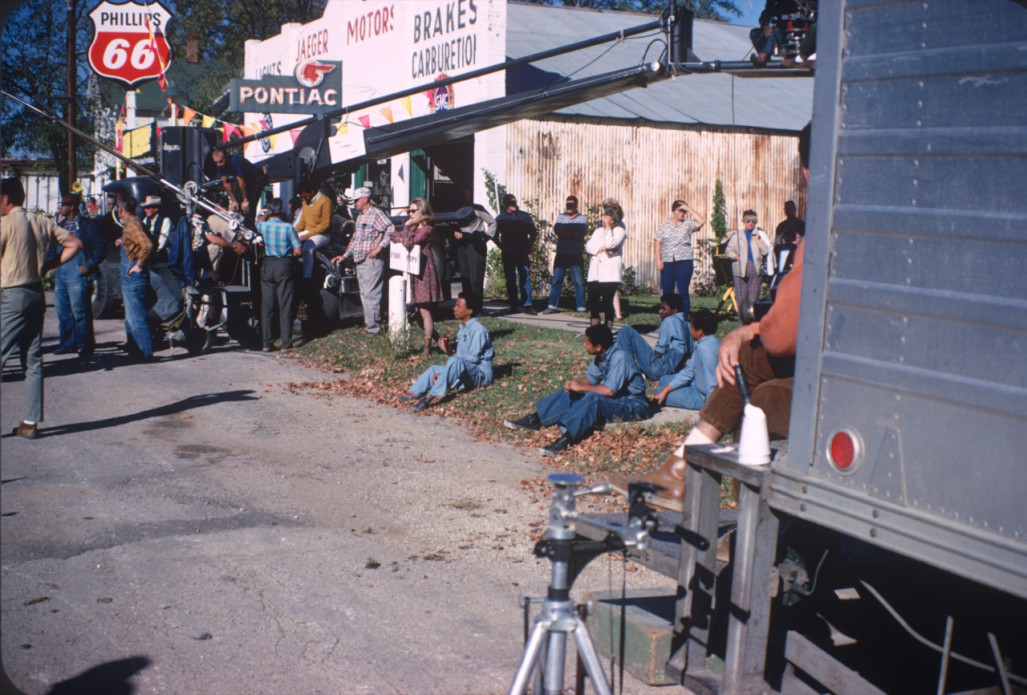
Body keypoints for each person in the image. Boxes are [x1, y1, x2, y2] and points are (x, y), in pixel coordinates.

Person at [616, 122, 811, 509]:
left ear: (808, 168)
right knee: (751, 357)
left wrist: (750, 332)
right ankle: (681, 470)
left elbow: (783, 334)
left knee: (760, 397)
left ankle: (750, 535)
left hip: (842, 392)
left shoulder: (830, 225)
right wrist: (747, 333)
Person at [1, 178, 83, 439]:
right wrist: (48, 266)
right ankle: (30, 421)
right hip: (36, 293)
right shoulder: (41, 221)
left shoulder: (6, 223)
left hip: (12, 294)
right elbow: (75, 244)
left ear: (5, 199)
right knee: (32, 358)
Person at [504, 323, 649, 456]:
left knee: (594, 398)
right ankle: (536, 419)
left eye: (587, 342)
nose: (584, 345)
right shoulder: (603, 354)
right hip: (618, 398)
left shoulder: (619, 357)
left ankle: (566, 438)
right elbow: (592, 378)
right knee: (574, 392)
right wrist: (576, 385)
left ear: (598, 346)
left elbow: (608, 391)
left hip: (634, 403)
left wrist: (582, 387)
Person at [403, 292, 493, 412]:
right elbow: (460, 362)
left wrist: (444, 376)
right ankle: (412, 394)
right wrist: (444, 374)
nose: (454, 308)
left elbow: (472, 361)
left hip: (480, 375)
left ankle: (428, 398)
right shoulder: (463, 328)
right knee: (434, 369)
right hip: (465, 369)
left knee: (454, 361)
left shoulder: (478, 330)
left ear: (469, 311)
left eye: (458, 306)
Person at [331, 187, 392, 335]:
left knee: (372, 295)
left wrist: (379, 247)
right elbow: (355, 239)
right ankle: (370, 326)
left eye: (357, 201)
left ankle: (373, 329)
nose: (355, 204)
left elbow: (390, 229)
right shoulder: (360, 217)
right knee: (365, 295)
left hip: (372, 261)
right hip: (360, 261)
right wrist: (345, 255)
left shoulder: (376, 213)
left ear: (365, 199)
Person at [53, 193, 106, 357]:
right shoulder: (60, 225)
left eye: (63, 204)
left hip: (77, 269)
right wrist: (53, 264)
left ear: (72, 207)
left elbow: (101, 249)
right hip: (61, 270)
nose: (60, 207)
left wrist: (87, 266)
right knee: (63, 310)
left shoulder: (86, 225)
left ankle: (85, 345)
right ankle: (67, 344)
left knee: (80, 310)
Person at [393, 197, 443, 356]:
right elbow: (393, 236)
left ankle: (427, 349)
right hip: (415, 270)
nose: (410, 214)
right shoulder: (415, 228)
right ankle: (440, 340)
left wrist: (406, 228)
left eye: (413, 211)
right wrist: (405, 233)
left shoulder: (427, 229)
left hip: (425, 272)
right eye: (409, 211)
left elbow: (410, 242)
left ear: (422, 211)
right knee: (418, 311)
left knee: (424, 311)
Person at [256, 198, 302, 352]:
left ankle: (267, 343)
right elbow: (298, 250)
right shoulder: (288, 228)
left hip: (268, 265)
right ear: (281, 211)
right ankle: (286, 343)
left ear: (269, 211)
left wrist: (263, 215)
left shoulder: (262, 226)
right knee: (285, 304)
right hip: (284, 264)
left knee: (267, 306)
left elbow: (257, 223)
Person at [651, 310, 721, 410]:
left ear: (700, 332)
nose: (690, 329)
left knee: (659, 391)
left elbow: (712, 384)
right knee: (663, 380)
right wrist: (666, 390)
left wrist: (709, 409)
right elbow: (689, 371)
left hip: (702, 396)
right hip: (696, 382)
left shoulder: (705, 350)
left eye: (692, 328)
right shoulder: (712, 341)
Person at [613, 293, 692, 380]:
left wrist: (645, 357)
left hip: (658, 369)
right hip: (674, 370)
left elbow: (659, 351)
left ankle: (626, 369)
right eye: (660, 308)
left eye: (663, 309)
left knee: (626, 331)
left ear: (674, 311)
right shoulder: (688, 325)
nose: (660, 311)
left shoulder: (669, 321)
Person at [115, 196, 156, 360]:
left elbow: (148, 245)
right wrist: (124, 241)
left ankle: (145, 352)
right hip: (131, 272)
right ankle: (134, 349)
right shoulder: (134, 223)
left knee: (136, 315)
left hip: (133, 273)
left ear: (121, 210)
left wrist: (139, 264)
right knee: (130, 314)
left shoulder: (133, 225)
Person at [654, 199, 704, 319]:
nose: (681, 214)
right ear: (673, 211)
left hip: (684, 260)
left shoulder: (688, 224)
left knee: (683, 291)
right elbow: (658, 242)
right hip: (667, 261)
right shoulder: (664, 226)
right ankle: (667, 318)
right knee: (667, 291)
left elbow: (701, 221)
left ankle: (684, 318)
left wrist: (689, 209)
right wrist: (658, 260)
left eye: (683, 212)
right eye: (679, 211)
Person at [543, 195, 588, 314]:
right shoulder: (561, 217)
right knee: (557, 280)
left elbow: (581, 233)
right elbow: (557, 230)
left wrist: (566, 232)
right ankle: (552, 306)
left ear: (576, 205)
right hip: (561, 254)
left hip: (575, 254)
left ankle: (581, 307)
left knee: (578, 282)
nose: (569, 207)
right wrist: (572, 231)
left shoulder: (582, 219)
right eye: (568, 204)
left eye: (572, 204)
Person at [494, 193, 537, 315]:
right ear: (506, 204)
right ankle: (513, 305)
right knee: (510, 279)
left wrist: (528, 248)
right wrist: (502, 247)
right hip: (508, 252)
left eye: (514, 202)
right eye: (511, 203)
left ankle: (528, 305)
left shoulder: (524, 217)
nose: (514, 205)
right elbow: (494, 235)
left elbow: (533, 233)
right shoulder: (500, 218)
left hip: (522, 251)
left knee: (525, 277)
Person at [585, 205, 626, 328]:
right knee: (593, 301)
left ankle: (607, 330)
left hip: (609, 273)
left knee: (607, 302)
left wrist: (608, 229)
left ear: (614, 218)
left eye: (608, 216)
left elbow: (610, 244)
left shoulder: (619, 231)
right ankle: (594, 328)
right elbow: (589, 247)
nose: (605, 218)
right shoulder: (598, 231)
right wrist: (600, 249)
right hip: (595, 272)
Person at [451, 187, 495, 300]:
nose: (463, 198)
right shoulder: (454, 210)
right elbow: (449, 225)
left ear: (469, 196)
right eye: (460, 195)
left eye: (465, 195)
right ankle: (468, 307)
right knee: (464, 277)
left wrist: (486, 237)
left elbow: (492, 223)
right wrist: (454, 230)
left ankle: (477, 308)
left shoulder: (478, 209)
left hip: (475, 244)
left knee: (475, 278)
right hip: (462, 245)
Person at [724, 210, 772, 315]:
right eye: (748, 221)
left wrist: (758, 240)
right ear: (743, 221)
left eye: (753, 221)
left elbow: (766, 251)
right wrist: (737, 257)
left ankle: (752, 325)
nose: (750, 223)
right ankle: (742, 323)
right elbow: (728, 250)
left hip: (755, 270)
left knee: (753, 299)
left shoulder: (759, 234)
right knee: (741, 299)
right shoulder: (737, 235)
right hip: (740, 270)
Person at [211, 148, 267, 229]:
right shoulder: (220, 165)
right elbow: (226, 183)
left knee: (247, 208)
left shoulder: (235, 161)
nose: (219, 164)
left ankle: (250, 226)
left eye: (220, 161)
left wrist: (245, 200)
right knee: (237, 207)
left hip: (256, 179)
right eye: (216, 162)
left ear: (225, 157)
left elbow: (241, 181)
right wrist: (233, 200)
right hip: (245, 180)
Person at [293, 178, 332, 286]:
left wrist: (307, 235)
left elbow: (325, 225)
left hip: (322, 234)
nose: (304, 198)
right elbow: (302, 223)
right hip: (308, 232)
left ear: (311, 191)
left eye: (305, 196)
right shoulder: (305, 203)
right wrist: (291, 233)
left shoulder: (325, 201)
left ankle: (307, 277)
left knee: (308, 248)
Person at [749, 0, 800, 67]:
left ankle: (763, 56)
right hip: (771, 30)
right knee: (754, 33)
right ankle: (762, 56)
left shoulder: (790, 3)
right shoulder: (771, 3)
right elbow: (764, 15)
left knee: (774, 31)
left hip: (784, 32)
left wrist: (773, 27)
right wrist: (765, 26)